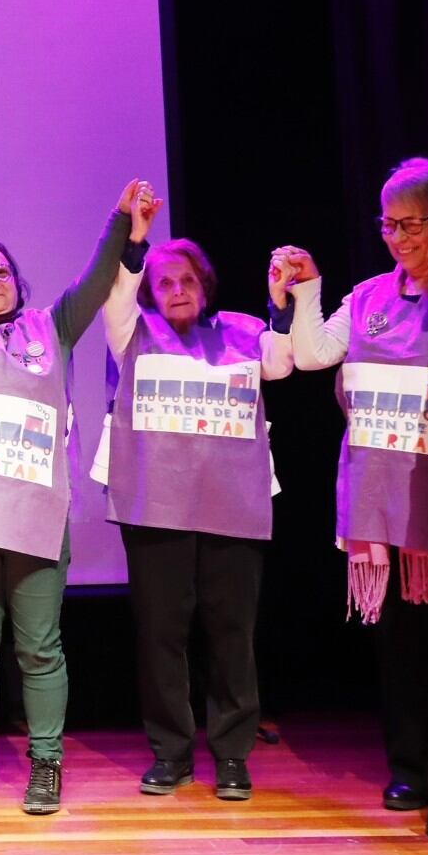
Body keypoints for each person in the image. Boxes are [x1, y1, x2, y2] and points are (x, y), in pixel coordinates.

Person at [0, 179, 145, 814]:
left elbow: (97, 279)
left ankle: (46, 766)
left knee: (40, 648)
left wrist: (118, 218)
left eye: (1, 270)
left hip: (37, 520)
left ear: (19, 281)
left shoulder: (52, 328)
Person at [277, 159, 428, 838]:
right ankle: (410, 768)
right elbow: (312, 354)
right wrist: (307, 292)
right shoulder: (371, 295)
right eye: (388, 225)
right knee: (398, 646)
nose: (398, 239)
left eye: (412, 225)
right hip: (378, 501)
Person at [98, 207, 292, 801]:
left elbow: (281, 363)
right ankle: (171, 754)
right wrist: (135, 242)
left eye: (186, 280)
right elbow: (116, 298)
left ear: (204, 285)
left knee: (232, 631)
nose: (176, 290)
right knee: (163, 632)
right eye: (164, 282)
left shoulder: (238, 329)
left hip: (232, 504)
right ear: (151, 292)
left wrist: (282, 304)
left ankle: (232, 754)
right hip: (156, 506)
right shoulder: (133, 331)